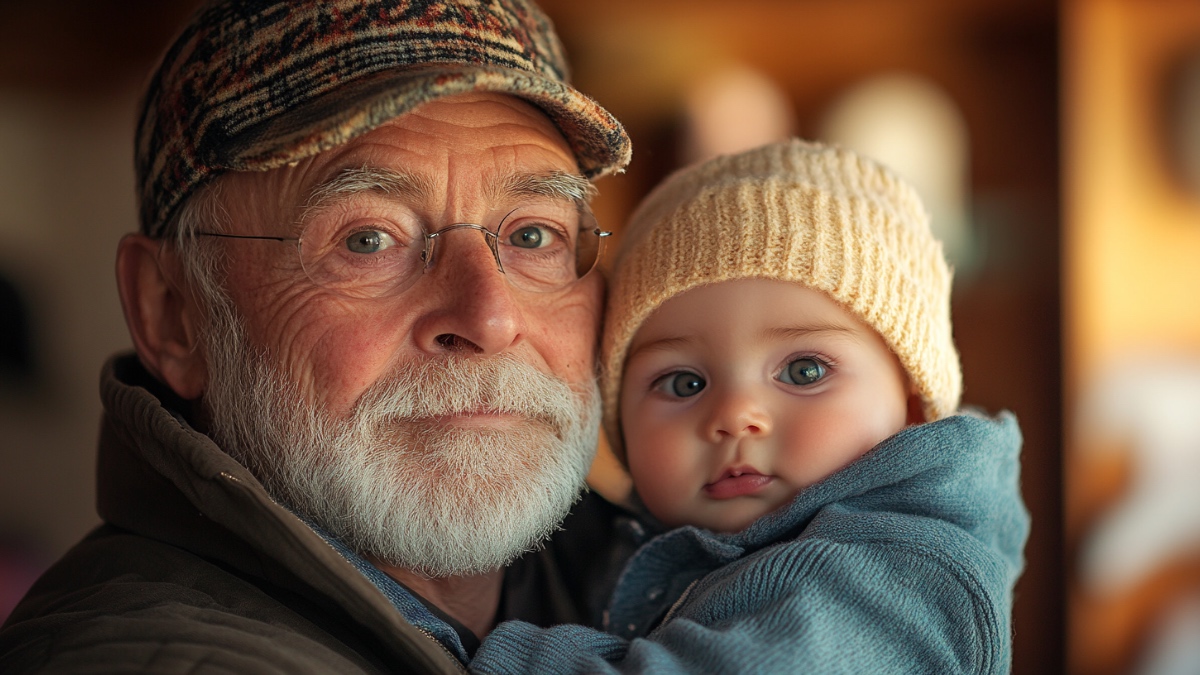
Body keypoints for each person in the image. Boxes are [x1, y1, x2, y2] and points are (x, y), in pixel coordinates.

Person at [0, 1, 634, 673]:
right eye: (368, 239)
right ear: (172, 314)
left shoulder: (676, 574)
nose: (490, 318)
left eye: (534, 234)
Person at [470, 140, 1031, 673]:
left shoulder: (902, 579)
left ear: (913, 404)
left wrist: (479, 658)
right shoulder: (629, 545)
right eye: (684, 383)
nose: (735, 415)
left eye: (804, 371)